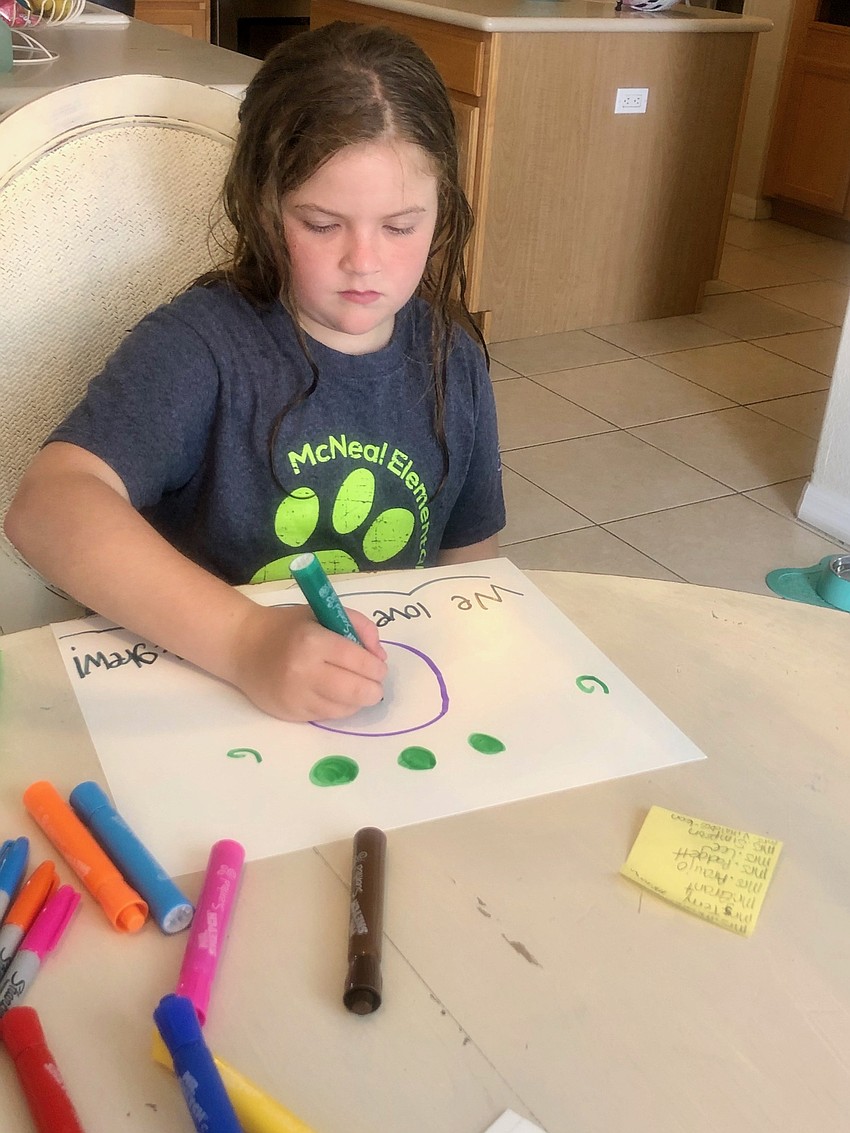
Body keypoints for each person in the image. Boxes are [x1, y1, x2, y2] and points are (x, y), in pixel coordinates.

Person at [4, 21, 505, 723]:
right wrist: (248, 640)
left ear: (442, 211)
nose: (365, 261)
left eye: (400, 226)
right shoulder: (200, 345)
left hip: (380, 711)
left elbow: (470, 575)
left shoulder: (454, 356)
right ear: (261, 205)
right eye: (323, 224)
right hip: (205, 706)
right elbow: (47, 509)